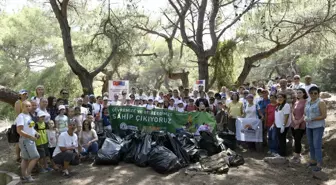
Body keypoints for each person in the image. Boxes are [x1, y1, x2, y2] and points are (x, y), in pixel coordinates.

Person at [16, 101, 40, 182]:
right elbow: (19, 130)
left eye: (30, 106)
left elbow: (30, 128)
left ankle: (24, 176)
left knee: (25, 159)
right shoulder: (21, 116)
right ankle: (28, 175)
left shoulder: (28, 116)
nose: (29, 107)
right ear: (22, 107)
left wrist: (36, 133)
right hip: (25, 140)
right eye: (26, 106)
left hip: (30, 139)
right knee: (36, 157)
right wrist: (30, 137)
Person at [304, 86, 327, 172]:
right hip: (309, 126)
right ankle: (313, 160)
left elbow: (324, 116)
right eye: (311, 93)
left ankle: (319, 163)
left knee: (317, 144)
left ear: (318, 94)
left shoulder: (321, 102)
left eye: (315, 93)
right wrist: (305, 117)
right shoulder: (308, 102)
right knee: (311, 144)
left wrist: (313, 119)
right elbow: (305, 113)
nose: (313, 94)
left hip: (318, 126)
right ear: (309, 94)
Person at [291, 88, 308, 163]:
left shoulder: (306, 102)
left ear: (304, 93)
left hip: (301, 124)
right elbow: (292, 113)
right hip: (293, 123)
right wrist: (294, 121)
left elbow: (305, 114)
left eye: (300, 92)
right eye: (297, 93)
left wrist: (298, 123)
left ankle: (297, 157)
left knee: (298, 139)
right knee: (295, 139)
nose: (298, 94)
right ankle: (298, 154)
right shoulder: (296, 102)